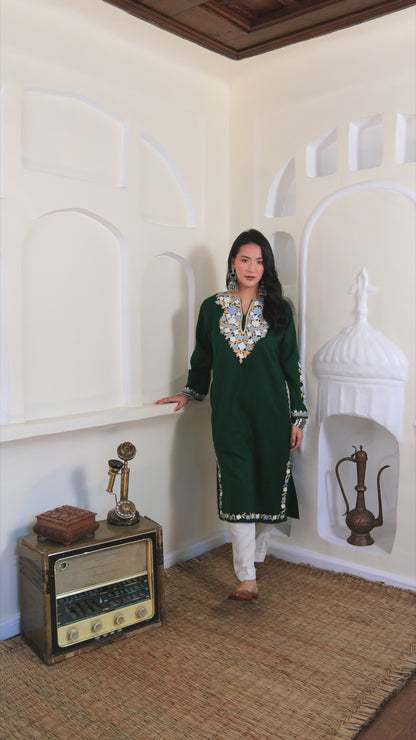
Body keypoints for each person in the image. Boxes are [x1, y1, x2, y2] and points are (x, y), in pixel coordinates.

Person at [155, 229, 307, 601]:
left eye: (259, 261)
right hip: (229, 415)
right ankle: (247, 576)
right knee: (238, 487)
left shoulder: (280, 309)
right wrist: (189, 392)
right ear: (233, 262)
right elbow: (202, 358)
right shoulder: (212, 308)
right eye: (245, 259)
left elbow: (292, 365)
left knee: (270, 484)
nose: (252, 268)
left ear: (267, 266)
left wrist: (298, 416)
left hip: (272, 413)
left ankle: (256, 555)